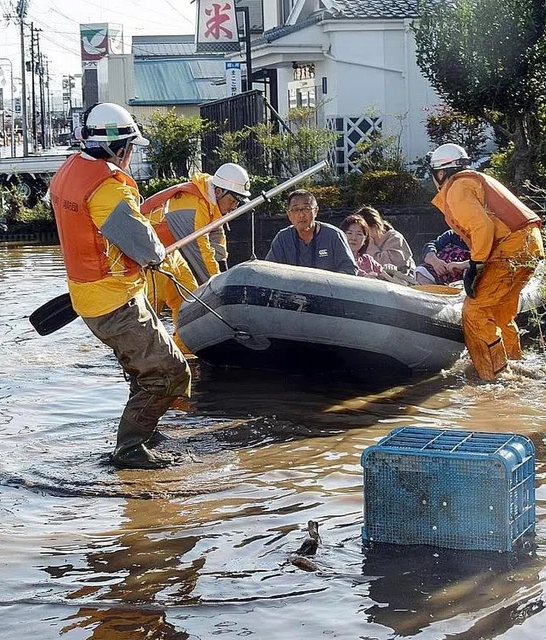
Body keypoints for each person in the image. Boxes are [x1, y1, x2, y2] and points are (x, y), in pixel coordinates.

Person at [48, 102, 191, 469]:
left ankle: (146, 427)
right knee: (171, 373)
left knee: (141, 369)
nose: (129, 157)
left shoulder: (69, 172)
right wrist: (157, 252)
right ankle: (130, 447)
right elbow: (144, 247)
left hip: (89, 297)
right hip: (116, 302)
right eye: (129, 149)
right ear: (119, 148)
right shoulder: (108, 191)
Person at [428, 143, 544, 381]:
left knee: (475, 311)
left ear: (440, 173)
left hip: (509, 248)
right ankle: (515, 363)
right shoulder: (476, 180)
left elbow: (482, 225)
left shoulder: (456, 188)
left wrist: (476, 264)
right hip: (529, 244)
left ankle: (496, 376)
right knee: (500, 312)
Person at [140, 163, 251, 344]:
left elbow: (216, 239)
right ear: (218, 192)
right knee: (150, 306)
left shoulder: (210, 202)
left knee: (189, 299)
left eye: (237, 202)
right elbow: (200, 251)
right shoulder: (192, 206)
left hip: (169, 254)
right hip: (149, 257)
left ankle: (185, 347)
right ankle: (140, 350)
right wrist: (219, 289)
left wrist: (224, 272)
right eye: (232, 201)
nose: (234, 207)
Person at [264, 189, 358, 275]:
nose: (301, 214)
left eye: (306, 209)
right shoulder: (283, 238)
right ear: (289, 214)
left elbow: (350, 269)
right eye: (296, 210)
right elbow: (268, 271)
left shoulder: (334, 235)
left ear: (316, 211)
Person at [356, 206, 416, 275]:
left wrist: (371, 247)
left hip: (403, 279)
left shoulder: (394, 238)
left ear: (375, 227)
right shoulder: (361, 241)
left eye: (364, 230)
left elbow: (389, 265)